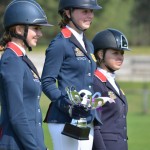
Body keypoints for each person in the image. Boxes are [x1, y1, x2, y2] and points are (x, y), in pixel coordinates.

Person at [41, 0, 102, 149]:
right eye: (84, 11)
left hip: (87, 118)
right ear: (68, 12)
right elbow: (47, 82)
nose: (90, 16)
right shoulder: (60, 44)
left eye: (91, 11)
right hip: (64, 119)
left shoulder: (89, 44)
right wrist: (67, 105)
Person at [0, 0, 52, 149]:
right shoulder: (11, 61)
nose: (40, 34)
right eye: (36, 28)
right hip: (16, 144)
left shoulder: (21, 59)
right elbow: (16, 115)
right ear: (18, 29)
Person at [91, 28, 130, 150]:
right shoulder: (95, 82)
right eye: (115, 53)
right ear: (101, 54)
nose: (120, 57)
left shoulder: (112, 82)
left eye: (122, 53)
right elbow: (94, 125)